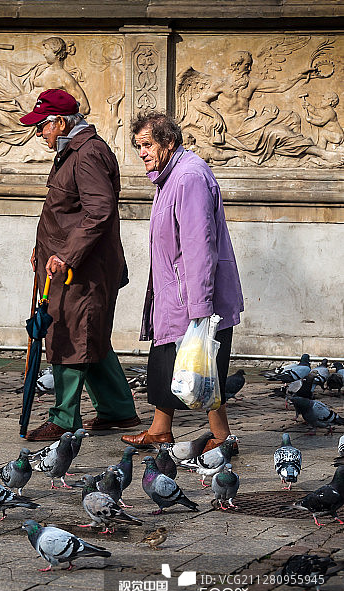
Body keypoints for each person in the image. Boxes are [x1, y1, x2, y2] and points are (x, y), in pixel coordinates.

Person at [19, 89, 139, 442]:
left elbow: (98, 211)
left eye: (42, 126)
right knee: (90, 334)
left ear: (59, 122)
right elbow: (66, 212)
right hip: (69, 263)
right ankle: (118, 410)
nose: (39, 133)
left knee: (70, 335)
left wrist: (65, 254)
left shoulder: (87, 154)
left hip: (82, 268)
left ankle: (64, 418)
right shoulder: (75, 151)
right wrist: (41, 249)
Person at [121, 111, 244, 452]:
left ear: (168, 142)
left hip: (193, 297)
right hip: (174, 294)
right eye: (138, 146)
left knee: (205, 366)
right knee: (166, 361)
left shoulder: (188, 177)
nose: (142, 152)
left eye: (147, 145)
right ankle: (161, 428)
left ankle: (221, 438)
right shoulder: (168, 176)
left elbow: (198, 244)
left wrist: (201, 306)